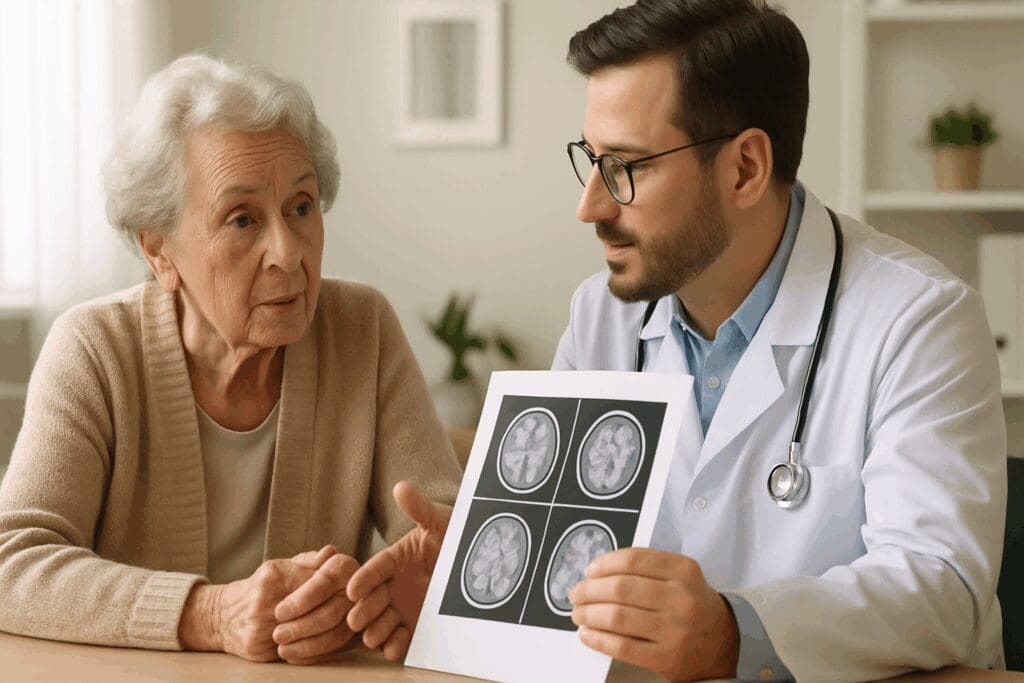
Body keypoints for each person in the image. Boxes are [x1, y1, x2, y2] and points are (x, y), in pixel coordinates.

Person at [344, 1, 1008, 681]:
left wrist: (734, 632)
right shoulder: (602, 317)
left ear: (745, 168)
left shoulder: (919, 322)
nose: (591, 207)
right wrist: (479, 590)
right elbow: (565, 577)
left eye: (627, 167)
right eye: (591, 160)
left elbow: (942, 586)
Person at [0, 54, 462, 665]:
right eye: (242, 219)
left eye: (301, 207)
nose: (288, 253)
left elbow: (444, 531)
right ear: (158, 249)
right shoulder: (93, 349)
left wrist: (429, 583)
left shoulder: (361, 329)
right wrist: (211, 613)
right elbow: (14, 562)